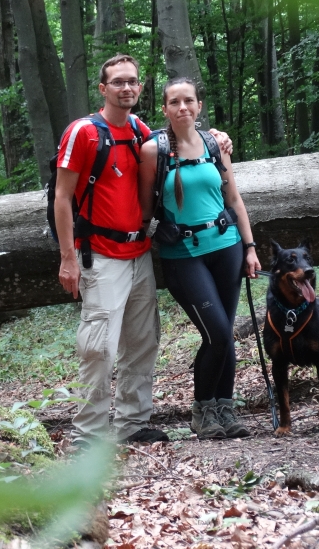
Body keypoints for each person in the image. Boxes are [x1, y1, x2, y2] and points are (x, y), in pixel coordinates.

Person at [54, 55, 231, 447]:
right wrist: (68, 257)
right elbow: (62, 198)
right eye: (117, 82)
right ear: (103, 89)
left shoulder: (138, 130)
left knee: (142, 341)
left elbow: (181, 139)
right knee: (98, 346)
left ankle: (132, 424)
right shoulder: (83, 133)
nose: (127, 88)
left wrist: (216, 136)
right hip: (98, 256)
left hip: (139, 253)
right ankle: (90, 434)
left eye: (132, 82)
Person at [138, 77, 262, 439]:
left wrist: (250, 248)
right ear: (164, 110)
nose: (182, 108)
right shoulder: (153, 151)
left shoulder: (214, 144)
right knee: (219, 333)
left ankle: (225, 409)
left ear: (198, 106)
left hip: (227, 246)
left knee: (225, 335)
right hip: (183, 255)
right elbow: (146, 210)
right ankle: (202, 412)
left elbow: (234, 200)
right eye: (174, 102)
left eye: (188, 101)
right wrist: (152, 238)